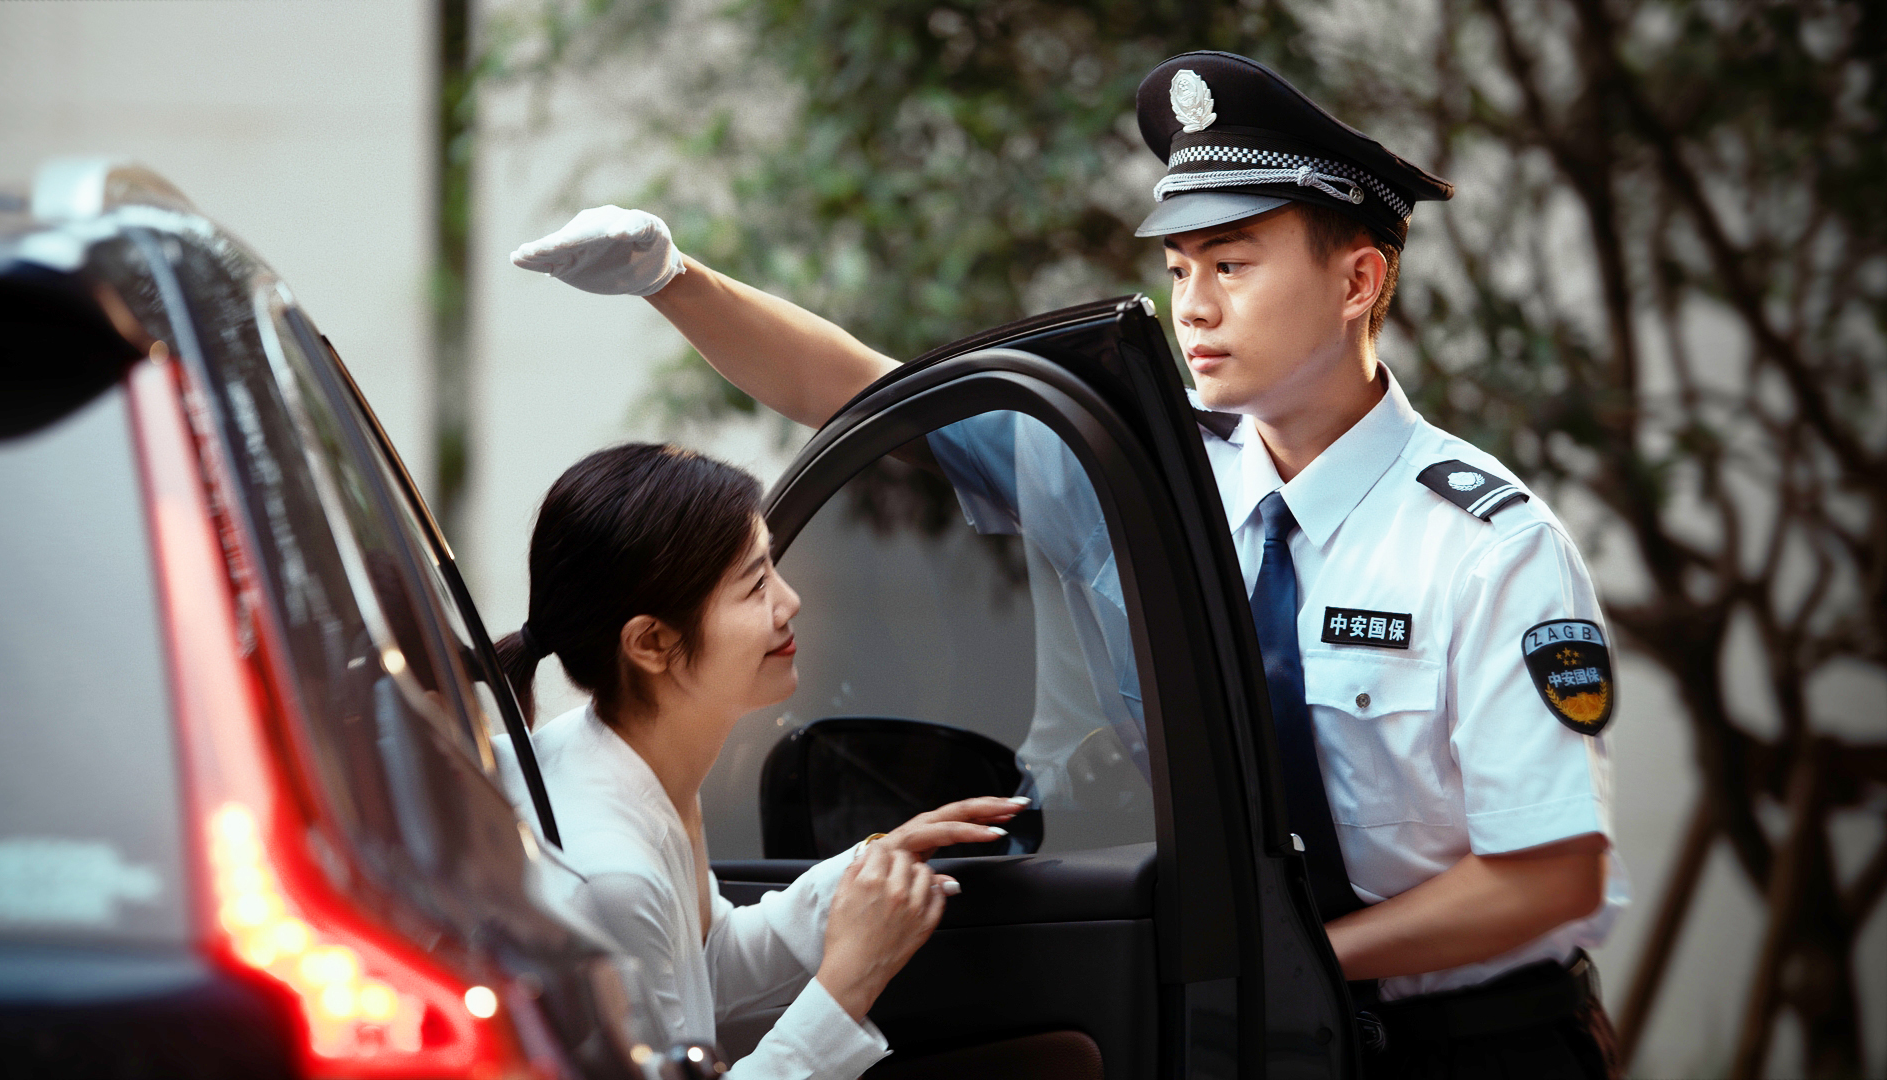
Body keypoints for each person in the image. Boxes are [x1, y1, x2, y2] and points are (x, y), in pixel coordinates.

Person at [511, 51, 1625, 1080]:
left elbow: (1549, 875)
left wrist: (1291, 959)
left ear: (1358, 281)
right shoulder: (1147, 475)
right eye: (1181, 268)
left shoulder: (1487, 546)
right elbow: (867, 393)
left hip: (1468, 1047)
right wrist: (674, 279)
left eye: (1233, 265)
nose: (1194, 306)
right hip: (1252, 1036)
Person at [492, 443, 1026, 1077]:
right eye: (755, 585)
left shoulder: (623, 761)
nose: (789, 601)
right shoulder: (610, 876)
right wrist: (848, 984)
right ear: (651, 642)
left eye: (772, 566)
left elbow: (702, 965)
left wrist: (866, 871)